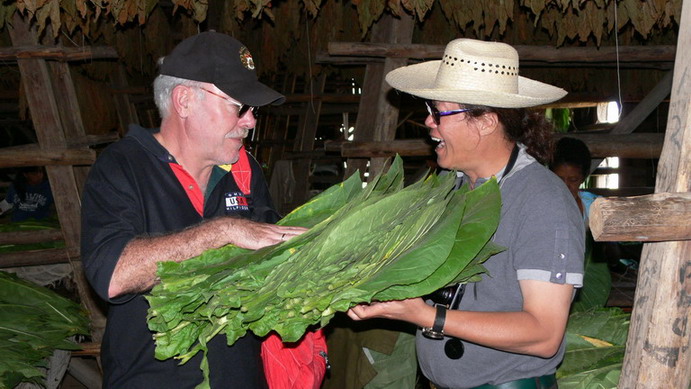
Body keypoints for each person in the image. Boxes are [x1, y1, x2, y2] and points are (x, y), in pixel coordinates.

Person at [347, 39, 585, 389]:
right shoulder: (451, 186)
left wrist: (427, 316)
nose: (428, 122)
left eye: (439, 111)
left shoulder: (543, 201)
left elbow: (543, 334)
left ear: (486, 121)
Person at [80, 31, 306, 388]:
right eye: (239, 106)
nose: (250, 121)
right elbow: (113, 277)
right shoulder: (122, 167)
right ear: (184, 101)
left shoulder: (244, 171)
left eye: (253, 110)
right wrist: (222, 232)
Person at [549, 137, 599, 227]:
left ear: (583, 177)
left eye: (573, 180)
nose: (565, 186)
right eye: (559, 179)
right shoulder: (539, 206)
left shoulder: (594, 206)